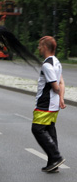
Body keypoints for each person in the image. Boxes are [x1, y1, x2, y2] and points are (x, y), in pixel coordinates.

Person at [31, 36, 66, 173]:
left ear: (45, 47)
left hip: (45, 103)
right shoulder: (57, 62)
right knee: (50, 130)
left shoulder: (47, 65)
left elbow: (56, 86)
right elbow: (62, 82)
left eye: (40, 46)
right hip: (54, 104)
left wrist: (59, 94)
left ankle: (56, 157)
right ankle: (53, 163)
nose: (39, 48)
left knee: (37, 129)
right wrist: (61, 99)